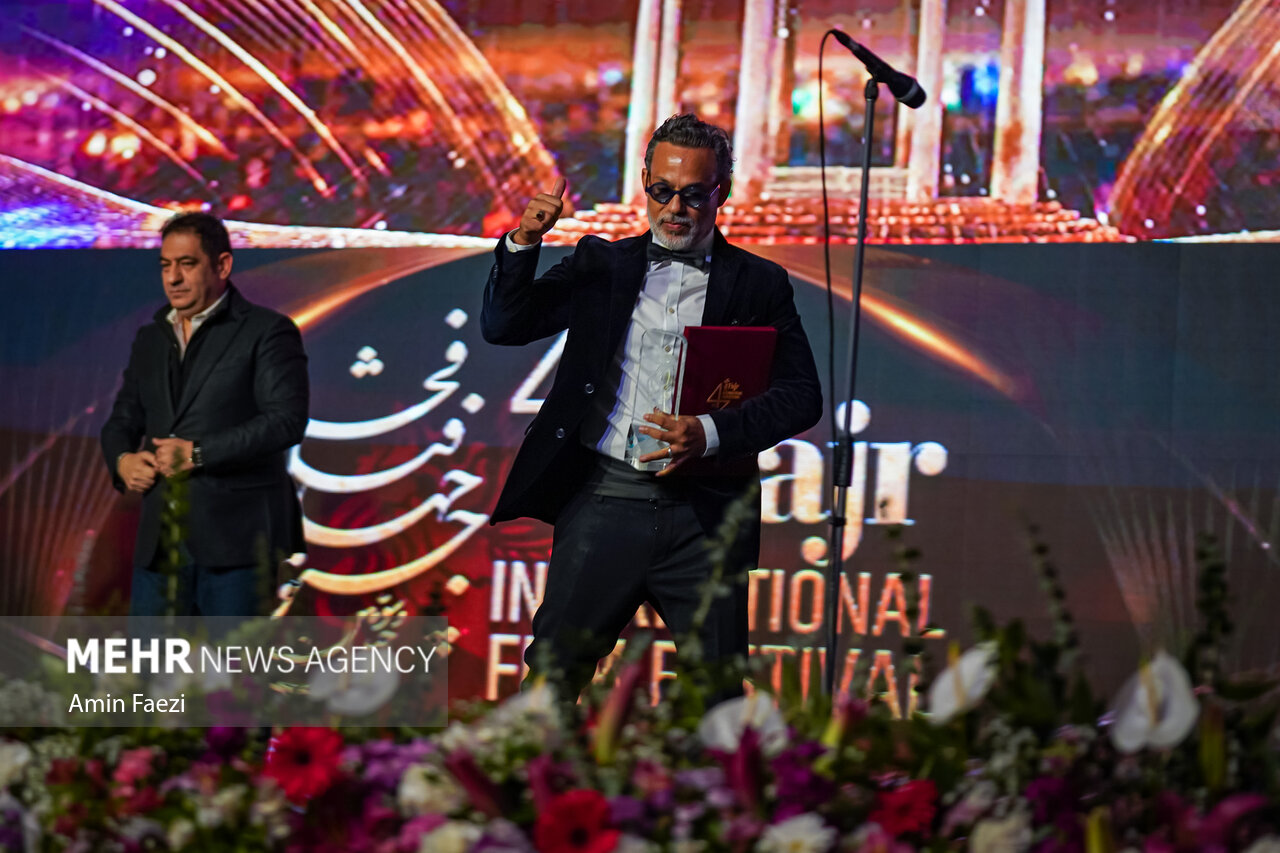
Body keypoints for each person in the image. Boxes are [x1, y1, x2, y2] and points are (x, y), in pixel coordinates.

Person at [482, 114, 822, 700]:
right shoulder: (601, 266)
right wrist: (524, 242)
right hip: (602, 504)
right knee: (552, 685)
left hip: (705, 519)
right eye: (662, 191)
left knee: (717, 697)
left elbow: (801, 396)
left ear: (722, 192)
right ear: (645, 182)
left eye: (694, 195)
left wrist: (710, 432)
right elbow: (505, 325)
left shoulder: (760, 283)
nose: (675, 209)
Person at [101, 212, 309, 624]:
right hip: (160, 544)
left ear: (223, 265)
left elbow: (286, 420)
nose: (173, 278)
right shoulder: (150, 337)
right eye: (165, 265)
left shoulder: (268, 331)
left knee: (230, 666)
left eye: (187, 264)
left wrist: (197, 454)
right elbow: (122, 419)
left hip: (238, 545)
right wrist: (122, 460)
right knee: (150, 667)